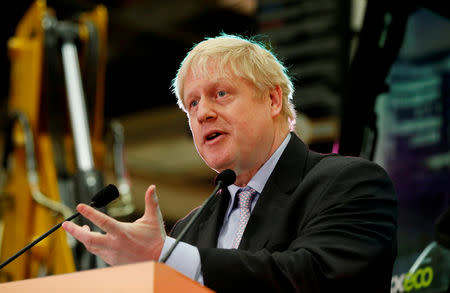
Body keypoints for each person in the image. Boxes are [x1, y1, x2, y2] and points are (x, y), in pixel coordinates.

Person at [62, 34, 398, 292]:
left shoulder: (351, 184)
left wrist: (165, 256)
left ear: (272, 99)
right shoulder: (189, 229)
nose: (203, 113)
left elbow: (311, 277)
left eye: (220, 94)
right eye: (192, 104)